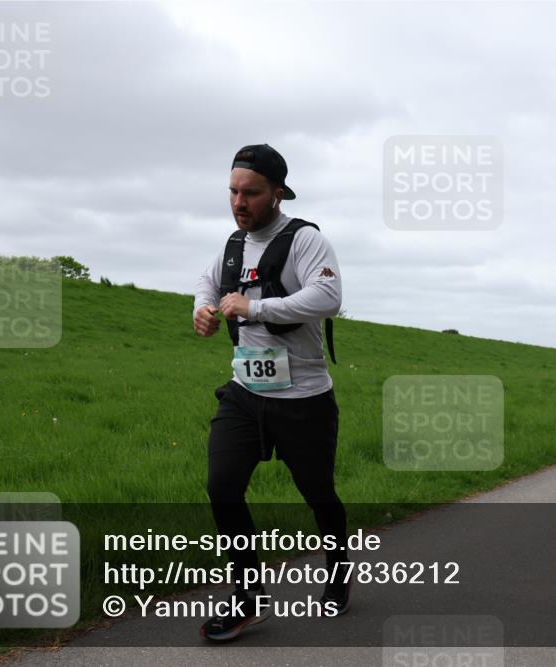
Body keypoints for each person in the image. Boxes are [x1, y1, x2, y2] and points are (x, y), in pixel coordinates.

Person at [193, 144, 350, 641]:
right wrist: (203, 309)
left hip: (303, 398)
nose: (240, 202)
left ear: (277, 194)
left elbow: (328, 297)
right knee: (222, 487)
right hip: (244, 393)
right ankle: (248, 598)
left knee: (319, 494)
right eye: (234, 192)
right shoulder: (233, 245)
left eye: (252, 193)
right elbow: (208, 281)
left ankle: (339, 567)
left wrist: (254, 309)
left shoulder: (305, 240)